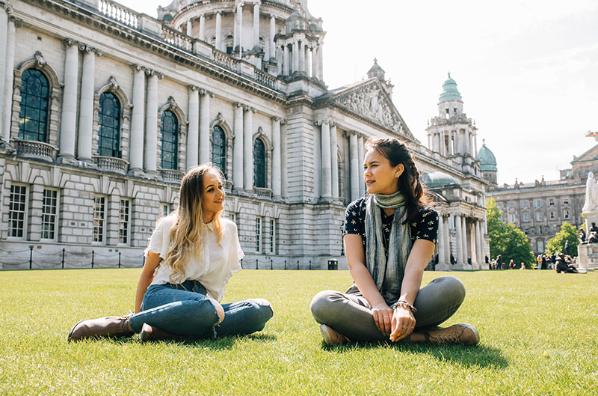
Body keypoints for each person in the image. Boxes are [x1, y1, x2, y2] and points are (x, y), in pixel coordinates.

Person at [68, 165, 273, 342]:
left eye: (220, 187)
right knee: (208, 310)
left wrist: (209, 308)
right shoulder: (169, 226)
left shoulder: (229, 230)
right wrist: (141, 311)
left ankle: (167, 332)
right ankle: (127, 323)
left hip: (202, 301)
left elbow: (220, 280)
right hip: (163, 295)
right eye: (211, 189)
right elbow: (148, 272)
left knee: (261, 310)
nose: (220, 194)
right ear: (196, 197)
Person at [310, 138, 479, 346]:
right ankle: (427, 336)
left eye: (374, 165)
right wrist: (379, 305)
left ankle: (352, 334)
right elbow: (356, 265)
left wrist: (404, 306)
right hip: (365, 298)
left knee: (452, 288)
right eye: (365, 167)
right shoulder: (356, 210)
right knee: (322, 303)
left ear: (397, 170)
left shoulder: (426, 215)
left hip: (410, 297)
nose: (366, 173)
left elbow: (414, 268)